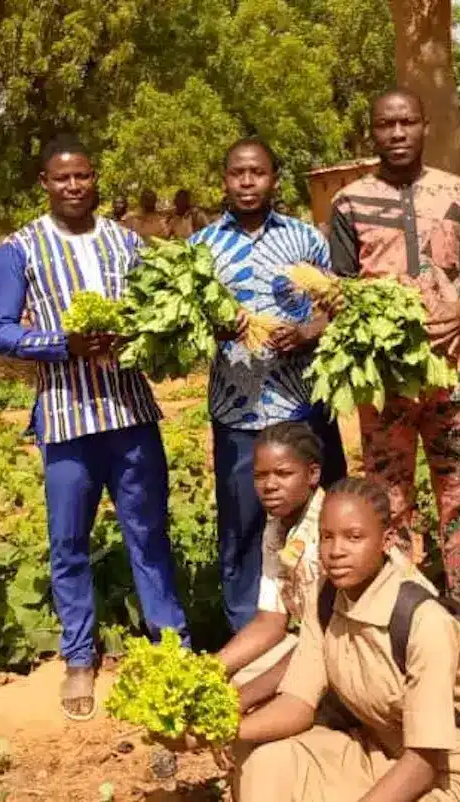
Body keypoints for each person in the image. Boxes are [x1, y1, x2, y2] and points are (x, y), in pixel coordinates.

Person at [0, 136, 189, 721]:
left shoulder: (129, 244)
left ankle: (169, 642)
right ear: (45, 184)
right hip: (67, 420)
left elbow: (157, 311)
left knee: (149, 535)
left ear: (96, 179)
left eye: (83, 176)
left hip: (130, 415)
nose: (74, 186)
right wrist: (61, 343)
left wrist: (141, 336)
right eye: (61, 178)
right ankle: (79, 655)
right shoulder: (19, 248)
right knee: (68, 543)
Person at [231, 477, 460, 802]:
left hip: (451, 781)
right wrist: (226, 731)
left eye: (354, 537)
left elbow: (425, 761)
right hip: (379, 759)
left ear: (386, 540)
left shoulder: (424, 621)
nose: (336, 551)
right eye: (327, 537)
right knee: (266, 762)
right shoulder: (324, 600)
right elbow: (297, 704)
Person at [328, 89, 460, 626]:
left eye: (407, 122)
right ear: (372, 132)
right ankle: (404, 616)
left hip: (453, 379)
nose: (397, 134)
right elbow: (342, 291)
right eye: (385, 124)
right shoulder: (350, 203)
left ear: (424, 126)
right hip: (386, 389)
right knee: (389, 504)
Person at [192, 137, 347, 632]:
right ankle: (250, 627)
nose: (246, 182)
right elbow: (187, 323)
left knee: (316, 514)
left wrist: (307, 334)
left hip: (300, 405)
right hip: (237, 409)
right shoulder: (202, 248)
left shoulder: (306, 239)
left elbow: (337, 308)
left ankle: (323, 621)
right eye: (237, 173)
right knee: (242, 523)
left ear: (273, 179)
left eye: (257, 172)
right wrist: (212, 328)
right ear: (224, 180)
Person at [215, 422, 327, 707]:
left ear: (312, 474)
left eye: (283, 474)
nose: (270, 485)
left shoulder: (331, 530)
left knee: (265, 701)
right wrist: (207, 670)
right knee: (232, 681)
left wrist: (241, 700)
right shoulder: (276, 529)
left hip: (347, 646)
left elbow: (324, 643)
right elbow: (271, 621)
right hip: (312, 640)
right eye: (260, 476)